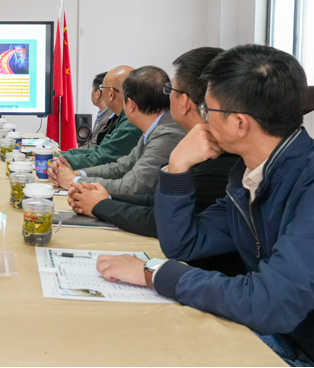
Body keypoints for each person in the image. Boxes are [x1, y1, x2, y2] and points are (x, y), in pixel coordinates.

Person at [93, 45, 314, 367]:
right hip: (273, 335)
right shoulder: (248, 174)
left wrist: (154, 272)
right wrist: (176, 167)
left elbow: (270, 303)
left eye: (208, 111)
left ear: (239, 124)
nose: (201, 120)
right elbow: (184, 244)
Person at [68, 48, 247, 277]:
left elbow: (165, 226)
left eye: (170, 90)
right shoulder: (212, 151)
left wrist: (101, 203)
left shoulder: (203, 151)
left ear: (184, 102)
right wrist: (96, 194)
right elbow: (151, 196)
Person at [51, 66, 186, 203]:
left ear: (131, 104)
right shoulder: (153, 127)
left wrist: (74, 181)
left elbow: (131, 187)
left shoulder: (166, 134)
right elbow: (120, 167)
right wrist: (77, 174)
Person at [56, 66, 143, 169]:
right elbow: (99, 150)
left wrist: (58, 158)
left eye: (102, 88)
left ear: (111, 93)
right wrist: (61, 155)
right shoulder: (121, 117)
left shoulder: (131, 122)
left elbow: (103, 157)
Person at [79, 71, 119, 149]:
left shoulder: (110, 118)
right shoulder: (103, 115)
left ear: (98, 93)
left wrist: (63, 155)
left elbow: (93, 147)